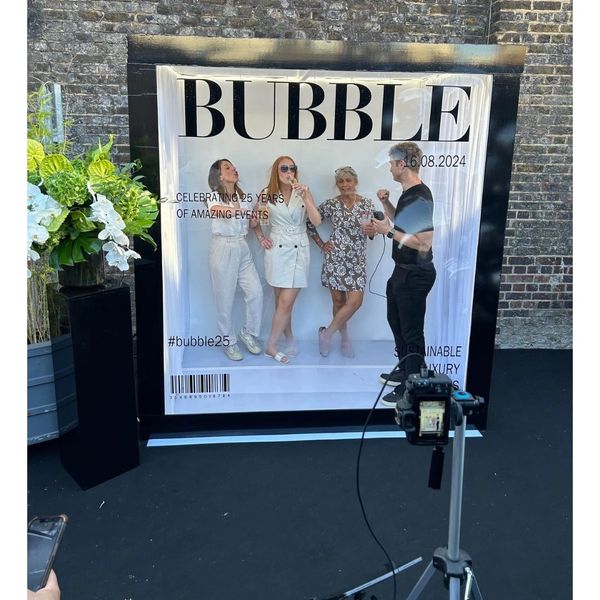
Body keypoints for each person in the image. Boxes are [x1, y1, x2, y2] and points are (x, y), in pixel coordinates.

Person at [371, 142, 436, 406]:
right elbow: (404, 224)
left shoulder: (419, 195)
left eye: (391, 163)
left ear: (402, 164)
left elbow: (423, 242)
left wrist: (385, 231)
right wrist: (387, 205)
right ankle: (405, 368)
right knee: (395, 321)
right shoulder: (409, 193)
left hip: (415, 274)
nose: (389, 168)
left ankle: (413, 384)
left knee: (411, 332)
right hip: (403, 271)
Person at [255, 156, 321, 363]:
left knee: (286, 301)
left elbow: (316, 221)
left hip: (299, 247)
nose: (288, 172)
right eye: (284, 168)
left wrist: (307, 198)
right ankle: (289, 337)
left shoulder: (304, 191)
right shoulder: (266, 194)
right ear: (276, 171)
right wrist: (260, 238)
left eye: (292, 168)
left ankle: (271, 346)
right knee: (281, 303)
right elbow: (256, 221)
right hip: (277, 248)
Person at [307, 166, 376, 358]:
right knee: (339, 302)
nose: (345, 184)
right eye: (341, 181)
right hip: (335, 258)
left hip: (357, 260)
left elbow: (372, 233)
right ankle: (345, 339)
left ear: (355, 182)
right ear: (337, 185)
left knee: (355, 302)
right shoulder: (331, 204)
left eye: (348, 180)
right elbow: (310, 221)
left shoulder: (367, 204)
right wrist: (321, 243)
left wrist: (372, 233)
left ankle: (326, 334)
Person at [207, 159, 264, 361]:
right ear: (219, 175)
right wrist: (241, 211)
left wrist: (257, 226)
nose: (233, 169)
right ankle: (228, 341)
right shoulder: (214, 196)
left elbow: (251, 222)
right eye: (227, 167)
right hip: (223, 248)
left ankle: (248, 333)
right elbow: (215, 210)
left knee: (255, 292)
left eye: (233, 166)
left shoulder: (244, 197)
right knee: (224, 299)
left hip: (242, 247)